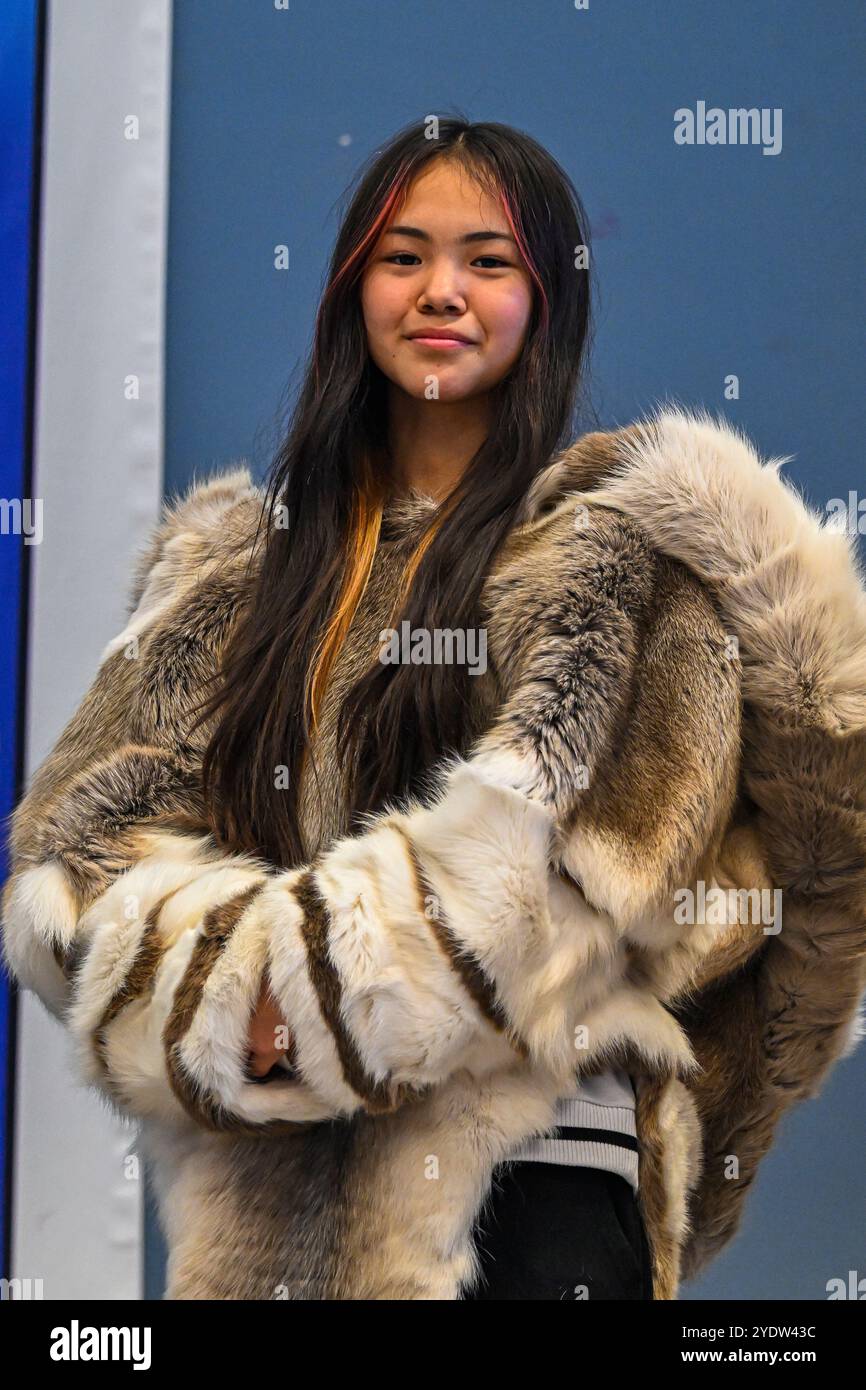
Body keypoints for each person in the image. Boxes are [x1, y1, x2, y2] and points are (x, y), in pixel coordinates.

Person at [3, 118, 865, 1302]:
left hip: (538, 1193)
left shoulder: (623, 556)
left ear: (547, 300)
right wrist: (217, 993)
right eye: (402, 256)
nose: (440, 291)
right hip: (272, 1229)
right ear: (352, 287)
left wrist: (307, 999)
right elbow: (68, 857)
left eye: (489, 260)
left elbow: (587, 866)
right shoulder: (237, 579)